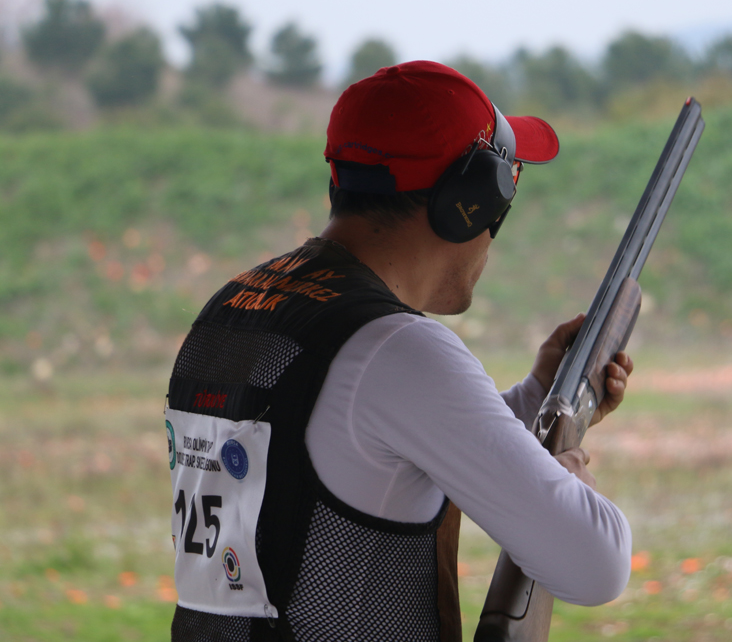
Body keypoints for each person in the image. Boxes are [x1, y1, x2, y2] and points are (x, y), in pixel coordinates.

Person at [165, 60, 633, 642]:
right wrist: (570, 475)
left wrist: (539, 396)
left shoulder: (236, 308)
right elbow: (595, 566)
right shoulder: (398, 347)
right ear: (472, 200)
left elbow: (353, 462)